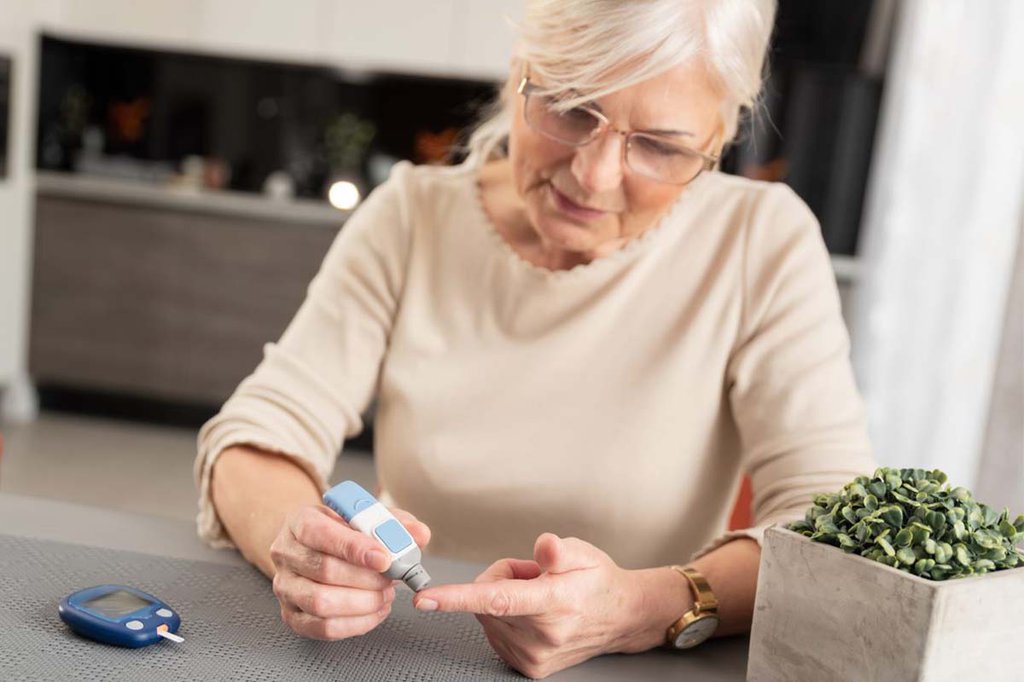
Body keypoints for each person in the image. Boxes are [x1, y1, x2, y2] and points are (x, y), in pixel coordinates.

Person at [195, 0, 875, 677]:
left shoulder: (763, 242)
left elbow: (831, 526)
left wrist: (645, 606)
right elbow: (257, 434)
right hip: (406, 653)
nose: (593, 175)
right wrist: (297, 543)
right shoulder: (413, 217)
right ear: (516, 74)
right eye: (573, 108)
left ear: (718, 137)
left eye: (661, 146)